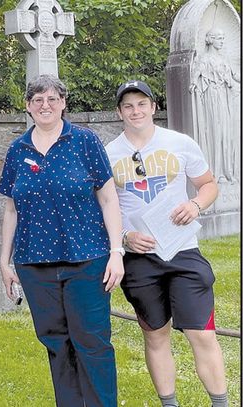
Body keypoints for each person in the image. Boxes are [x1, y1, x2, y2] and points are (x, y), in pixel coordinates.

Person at [0, 74, 124, 407]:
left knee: (93, 343)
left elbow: (109, 199)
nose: (45, 105)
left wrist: (116, 252)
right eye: (37, 100)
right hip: (34, 265)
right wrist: (4, 261)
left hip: (87, 259)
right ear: (28, 106)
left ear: (63, 103)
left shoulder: (85, 141)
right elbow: (10, 208)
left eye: (53, 99)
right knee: (56, 343)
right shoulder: (17, 150)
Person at [105, 79, 228, 407]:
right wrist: (124, 237)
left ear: (153, 107)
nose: (136, 111)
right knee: (155, 335)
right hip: (139, 257)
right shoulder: (108, 154)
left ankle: (221, 403)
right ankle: (169, 403)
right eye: (128, 106)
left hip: (182, 250)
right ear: (119, 112)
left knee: (202, 334)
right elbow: (102, 208)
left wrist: (195, 205)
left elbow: (208, 184)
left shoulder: (180, 142)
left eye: (142, 104)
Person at [189, 28, 241, 183]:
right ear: (210, 40)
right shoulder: (205, 59)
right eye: (219, 38)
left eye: (223, 38)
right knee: (215, 131)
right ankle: (215, 171)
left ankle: (227, 171)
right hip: (212, 97)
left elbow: (235, 75)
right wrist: (193, 83)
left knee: (226, 132)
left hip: (225, 98)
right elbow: (195, 75)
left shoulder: (225, 59)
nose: (222, 41)